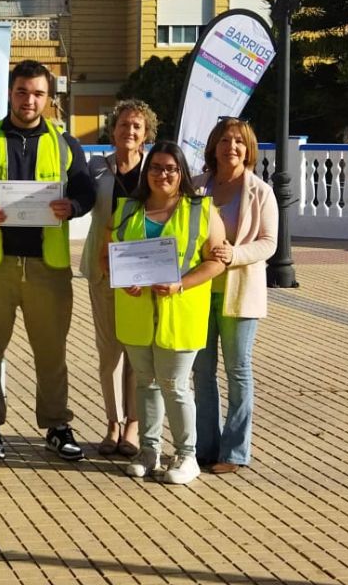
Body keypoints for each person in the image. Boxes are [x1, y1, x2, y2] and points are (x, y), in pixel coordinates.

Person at [0, 60, 96, 462]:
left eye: (37, 93)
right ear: (10, 93)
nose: (29, 100)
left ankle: (56, 424)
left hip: (47, 265)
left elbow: (85, 191)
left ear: (49, 99)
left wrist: (73, 205)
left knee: (51, 351)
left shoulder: (66, 142)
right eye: (22, 92)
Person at [103, 141, 225, 485]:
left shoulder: (201, 210)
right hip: (137, 314)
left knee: (174, 385)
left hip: (180, 312)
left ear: (182, 173)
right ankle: (149, 450)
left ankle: (187, 456)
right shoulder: (127, 209)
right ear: (147, 172)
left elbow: (216, 262)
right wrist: (120, 279)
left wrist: (181, 284)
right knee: (145, 383)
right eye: (155, 168)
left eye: (171, 168)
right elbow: (104, 256)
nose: (162, 175)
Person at [192, 117, 277, 474]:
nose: (232, 147)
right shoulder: (197, 186)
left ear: (249, 148)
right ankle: (205, 448)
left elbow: (269, 243)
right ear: (213, 146)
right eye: (225, 140)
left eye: (239, 141)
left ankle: (235, 451)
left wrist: (235, 255)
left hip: (239, 292)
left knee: (238, 370)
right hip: (198, 291)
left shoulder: (260, 191)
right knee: (202, 372)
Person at [78, 99, 158, 457]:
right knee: (109, 351)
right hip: (102, 266)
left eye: (136, 127)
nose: (129, 131)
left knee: (137, 351)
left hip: (142, 269)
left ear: (146, 135)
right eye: (124, 125)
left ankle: (134, 426)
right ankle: (112, 422)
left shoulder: (154, 170)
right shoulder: (96, 167)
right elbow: (77, 199)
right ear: (113, 130)